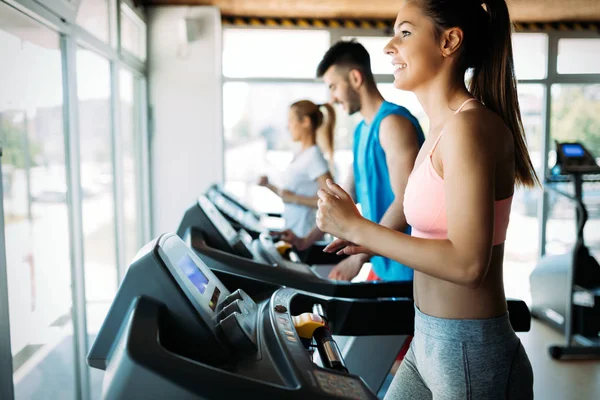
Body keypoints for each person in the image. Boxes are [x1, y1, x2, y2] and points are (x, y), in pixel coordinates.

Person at [315, 0, 536, 398]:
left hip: (470, 350)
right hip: (428, 337)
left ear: (449, 41)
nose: (388, 47)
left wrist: (360, 228)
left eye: (404, 33)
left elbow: (469, 264)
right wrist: (362, 238)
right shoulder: (440, 129)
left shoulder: (469, 126)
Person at [280, 40, 425, 283]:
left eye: (334, 86)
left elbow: (405, 204)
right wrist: (308, 238)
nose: (333, 98)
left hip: (408, 271)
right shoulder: (361, 131)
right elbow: (344, 196)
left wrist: (358, 258)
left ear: (356, 78)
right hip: (381, 263)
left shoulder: (393, 124)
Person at [257, 100, 335, 238]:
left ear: (305, 121)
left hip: (305, 235)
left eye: (291, 120)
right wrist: (267, 185)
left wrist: (294, 198)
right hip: (292, 232)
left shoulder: (314, 156)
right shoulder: (302, 154)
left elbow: (331, 200)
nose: (288, 126)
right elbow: (288, 196)